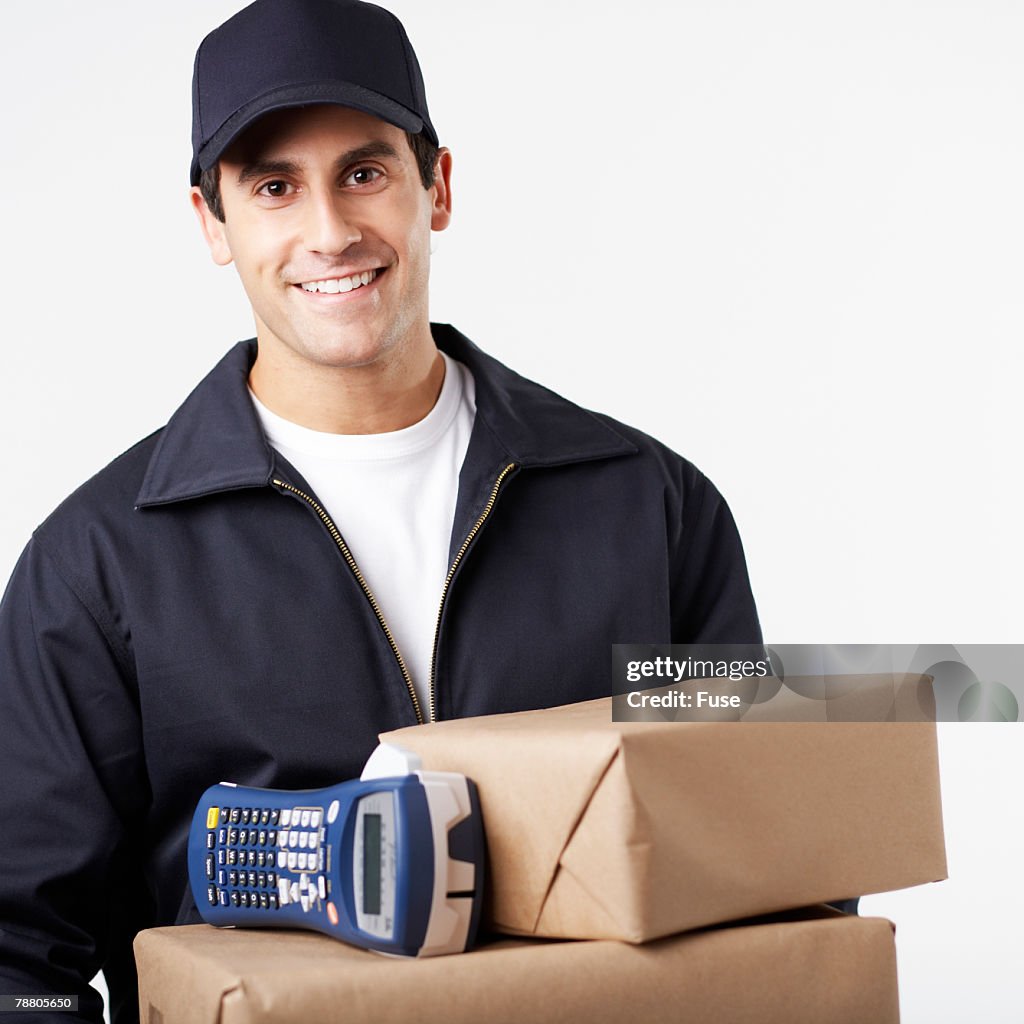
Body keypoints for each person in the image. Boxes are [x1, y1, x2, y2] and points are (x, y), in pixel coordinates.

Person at [0, 1, 761, 1020]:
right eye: (275, 187)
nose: (329, 232)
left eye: (364, 172)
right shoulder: (96, 564)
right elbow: (17, 953)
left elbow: (757, 846)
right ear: (212, 224)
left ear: (435, 187)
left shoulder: (648, 505)